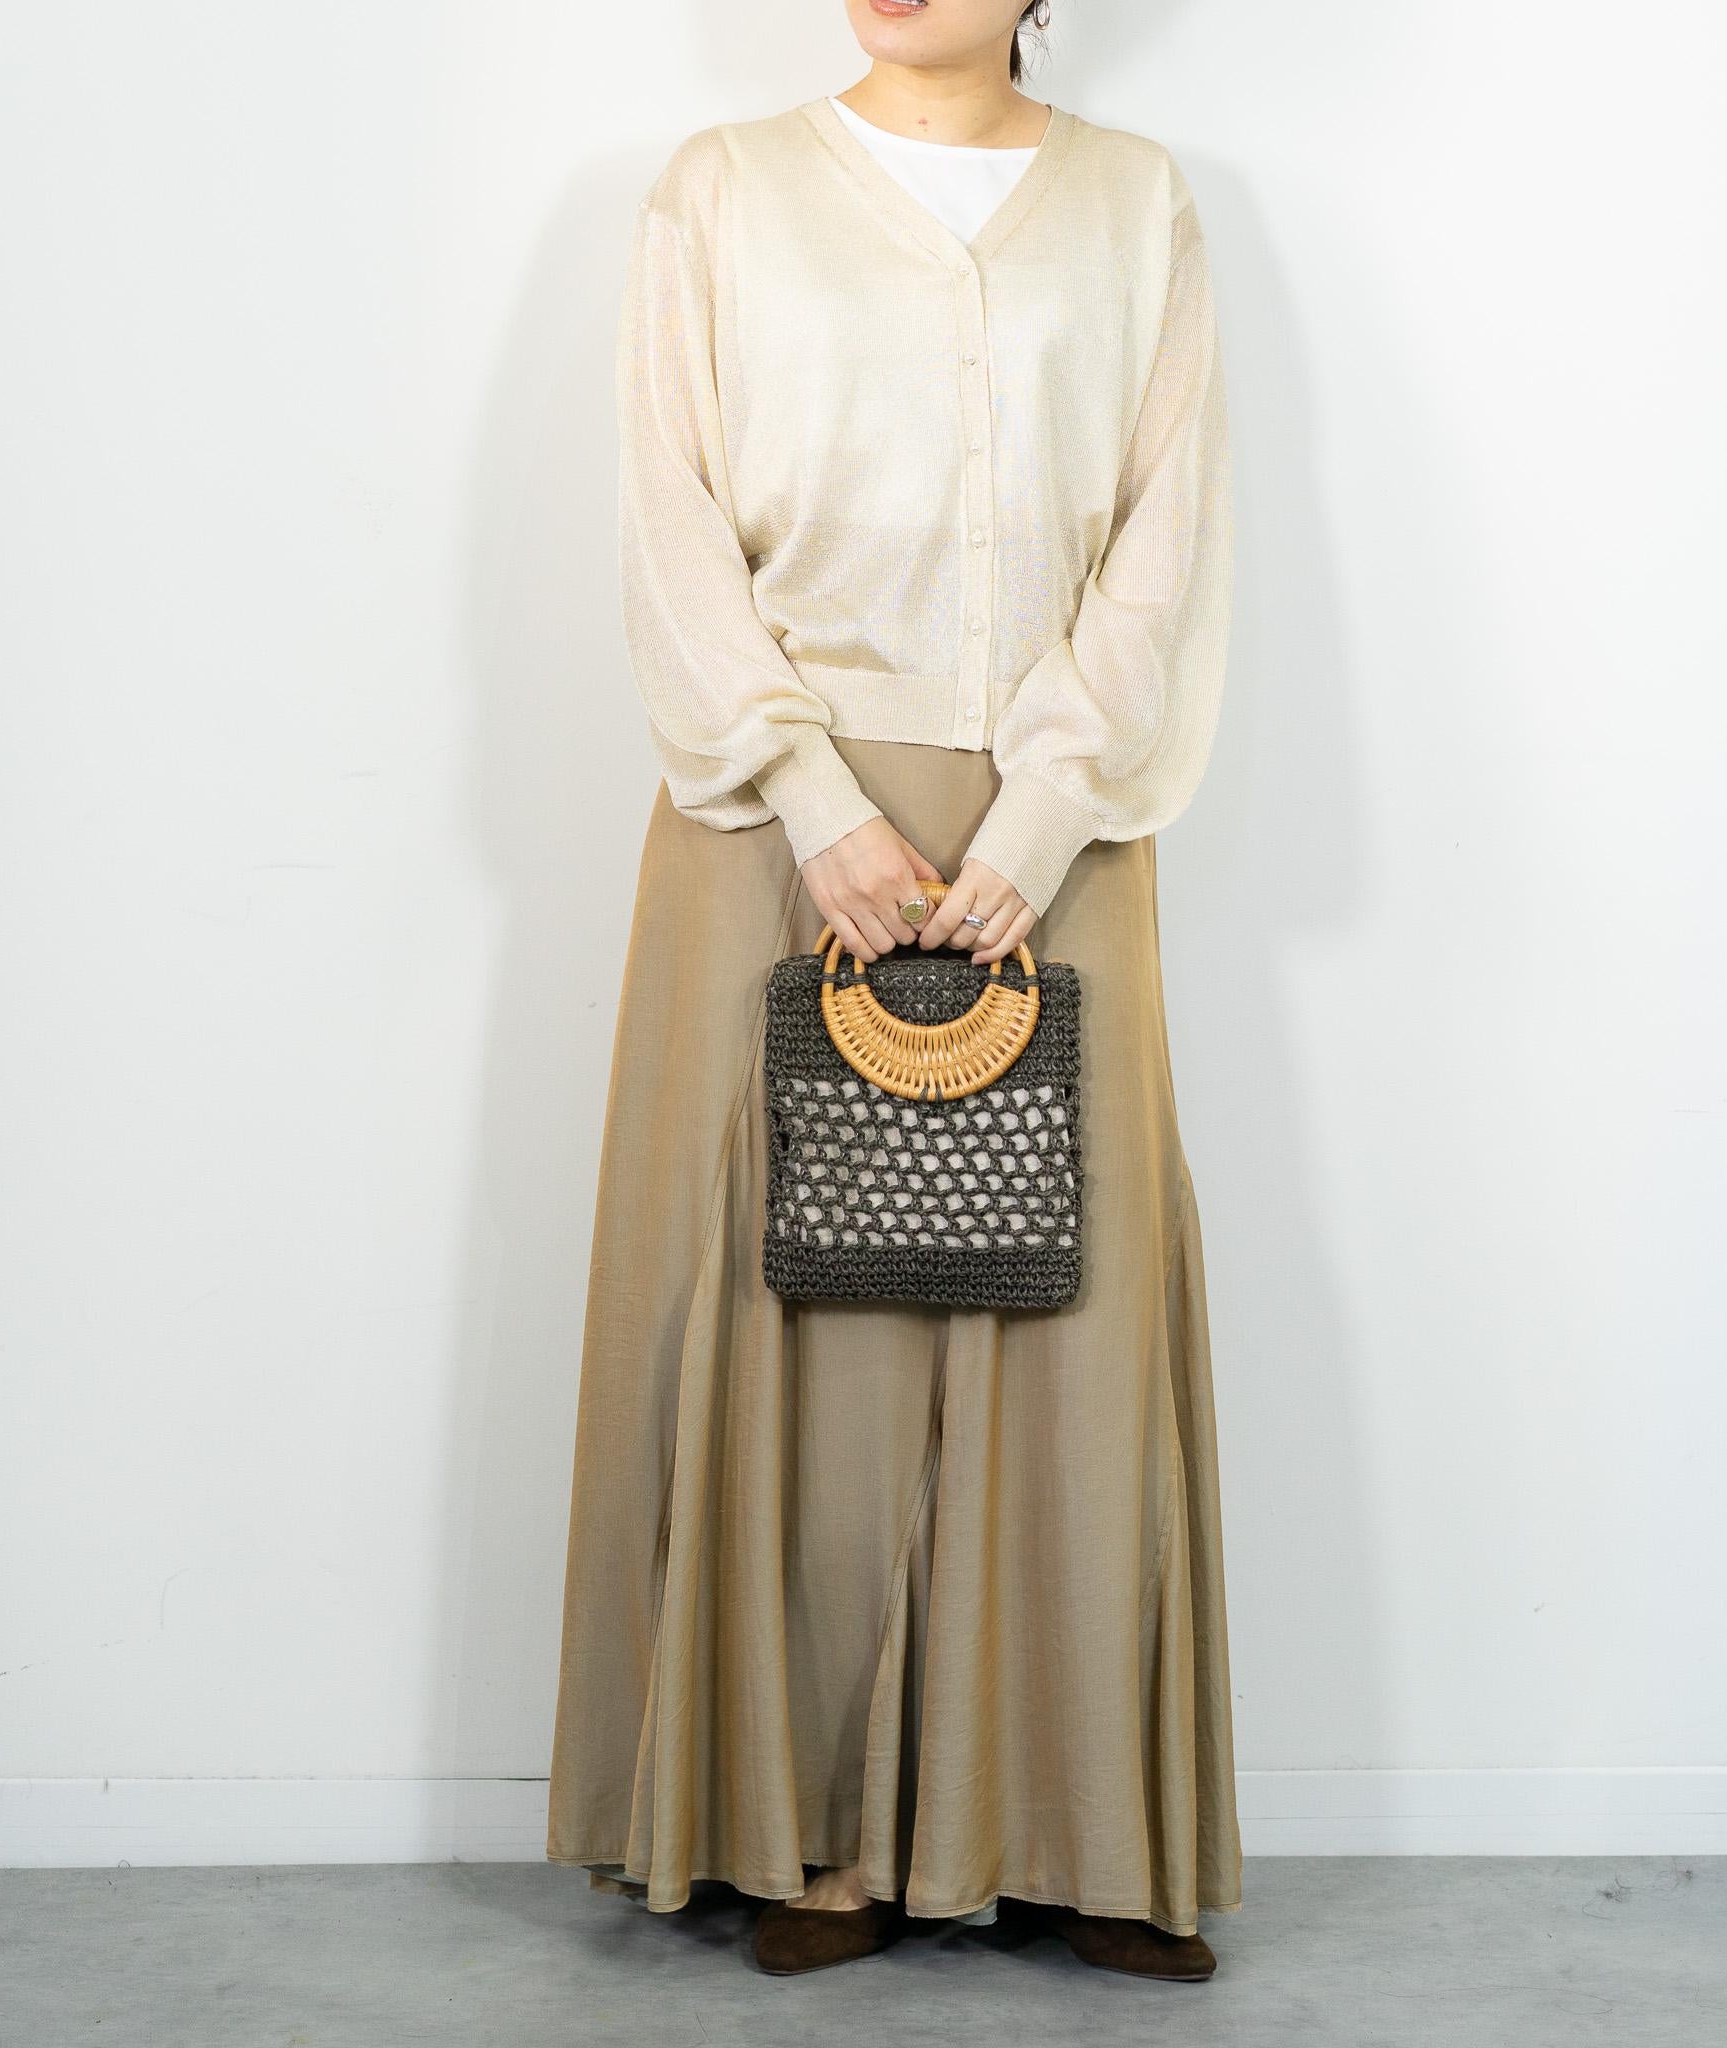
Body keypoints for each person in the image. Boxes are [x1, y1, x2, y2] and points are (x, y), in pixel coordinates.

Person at [545, 0, 1243, 1980]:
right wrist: (814, 800)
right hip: (775, 820)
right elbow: (672, 516)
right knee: (804, 1318)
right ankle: (810, 1837)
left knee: (1069, 1308)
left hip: (1057, 826)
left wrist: (1042, 819)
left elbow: (1166, 533)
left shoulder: (1138, 205)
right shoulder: (721, 192)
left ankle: (1081, 1838)